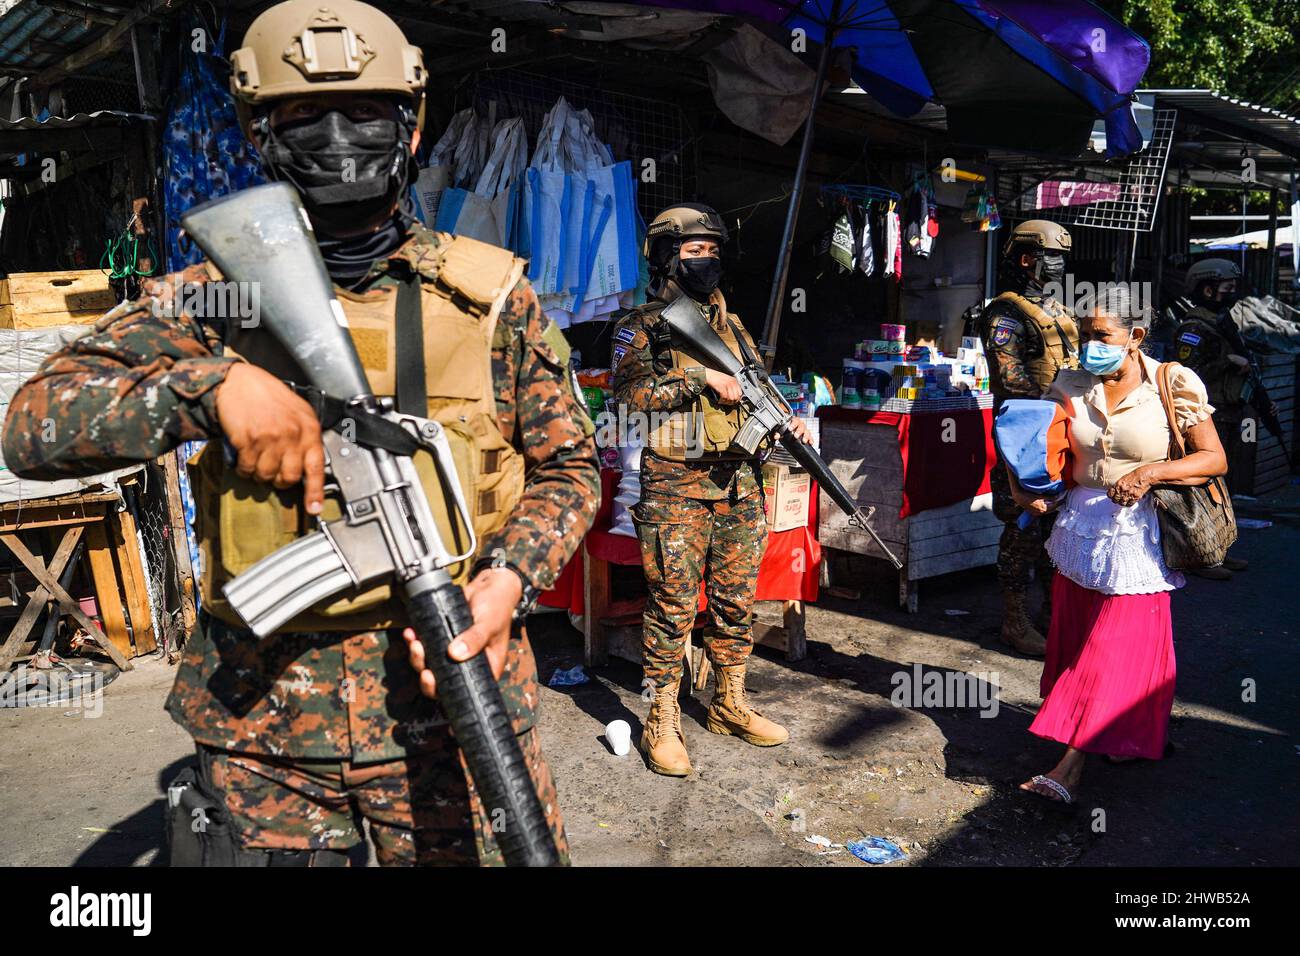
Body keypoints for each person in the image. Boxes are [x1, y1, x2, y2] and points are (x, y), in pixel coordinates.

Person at [1, 0, 599, 866]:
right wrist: (207, 386)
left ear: (412, 126)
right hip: (263, 730)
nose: (338, 135)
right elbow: (29, 429)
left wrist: (508, 581)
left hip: (450, 702)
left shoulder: (491, 299)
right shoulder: (212, 301)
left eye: (363, 113)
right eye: (302, 115)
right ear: (259, 133)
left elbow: (571, 468)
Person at [611, 203, 811, 777]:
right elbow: (628, 395)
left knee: (736, 605)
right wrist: (699, 378)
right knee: (671, 608)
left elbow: (758, 386)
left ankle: (729, 701)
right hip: (677, 484)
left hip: (740, 481)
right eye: (694, 251)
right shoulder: (641, 324)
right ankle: (661, 718)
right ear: (666, 257)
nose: (707, 261)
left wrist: (786, 418)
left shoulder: (732, 322)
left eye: (713, 251)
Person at [1013, 285, 1227, 805]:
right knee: (1080, 640)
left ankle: (1070, 767)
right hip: (1078, 532)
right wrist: (1027, 490)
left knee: (1111, 650)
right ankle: (1129, 734)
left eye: (1101, 335)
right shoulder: (1070, 381)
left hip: (1141, 537)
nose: (1090, 346)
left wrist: (1153, 472)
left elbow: (1214, 459)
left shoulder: (1173, 382)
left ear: (1135, 337)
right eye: (1086, 335)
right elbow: (1038, 447)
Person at [980, 219, 1079, 656]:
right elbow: (1010, 376)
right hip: (1025, 432)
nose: (1057, 265)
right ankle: (1014, 620)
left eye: (1061, 257)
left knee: (1058, 523)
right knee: (1023, 525)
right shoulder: (1006, 313)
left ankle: (1053, 614)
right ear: (1026, 259)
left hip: (1061, 429)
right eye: (1050, 257)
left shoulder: (1057, 309)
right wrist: (1062, 394)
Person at [1175, 257, 1261, 579]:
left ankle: (1219, 550)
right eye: (1227, 287)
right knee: (1204, 487)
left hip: (1229, 413)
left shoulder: (1222, 322)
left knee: (1225, 486)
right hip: (1207, 417)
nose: (1232, 292)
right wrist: (1227, 361)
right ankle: (1201, 556)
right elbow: (1187, 373)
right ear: (1208, 289)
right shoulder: (1194, 329)